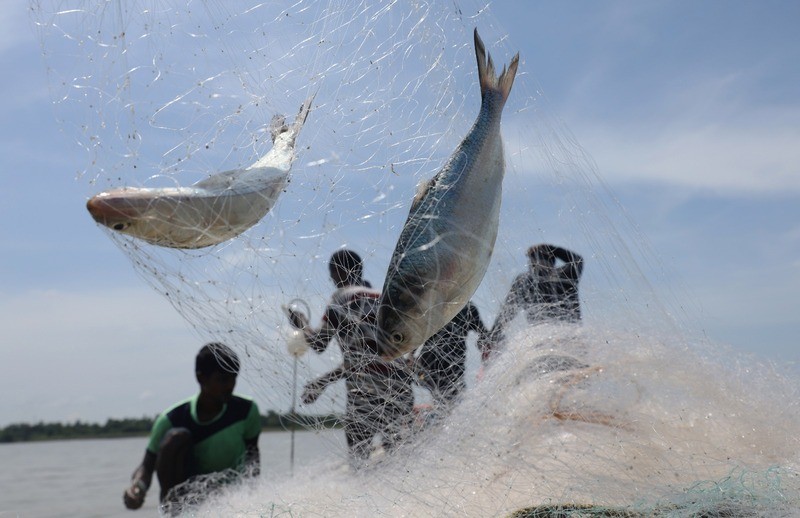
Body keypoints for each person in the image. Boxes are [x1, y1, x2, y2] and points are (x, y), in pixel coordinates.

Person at [285, 249, 414, 465]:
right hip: (401, 389)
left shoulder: (341, 298)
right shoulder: (382, 295)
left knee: (359, 460)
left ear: (339, 271)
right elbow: (375, 355)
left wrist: (302, 323)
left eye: (332, 273)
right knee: (398, 462)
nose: (331, 279)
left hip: (366, 394)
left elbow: (319, 344)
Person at [123, 343, 261, 511]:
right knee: (177, 437)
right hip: (188, 501)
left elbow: (253, 459)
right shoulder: (171, 419)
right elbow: (146, 466)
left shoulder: (246, 411)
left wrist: (253, 501)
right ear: (201, 378)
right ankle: (174, 513)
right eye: (223, 379)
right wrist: (138, 489)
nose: (230, 386)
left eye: (234, 378)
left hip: (232, 499)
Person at [483, 244, 584, 359]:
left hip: (542, 342)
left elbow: (506, 313)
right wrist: (553, 249)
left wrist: (492, 338)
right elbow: (578, 260)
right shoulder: (566, 275)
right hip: (571, 339)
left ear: (531, 262)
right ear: (553, 261)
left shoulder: (523, 281)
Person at [413, 300, 489, 406]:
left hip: (445, 368)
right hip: (433, 368)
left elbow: (484, 337)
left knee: (448, 400)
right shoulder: (430, 307)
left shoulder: (466, 307)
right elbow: (485, 337)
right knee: (451, 400)